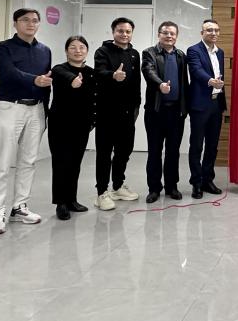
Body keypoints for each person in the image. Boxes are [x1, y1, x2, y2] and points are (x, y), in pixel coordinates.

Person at [0, 8, 52, 235]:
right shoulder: (2, 47)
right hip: (10, 107)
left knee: (29, 160)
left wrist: (46, 110)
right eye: (25, 20)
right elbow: (7, 73)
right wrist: (35, 80)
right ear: (15, 23)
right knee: (2, 162)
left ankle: (20, 207)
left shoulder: (45, 50)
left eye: (35, 20)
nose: (31, 24)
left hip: (36, 109)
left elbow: (47, 82)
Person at [93, 17, 141, 210]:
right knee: (104, 153)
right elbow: (98, 73)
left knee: (124, 151)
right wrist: (113, 75)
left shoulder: (134, 54)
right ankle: (101, 193)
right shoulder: (102, 51)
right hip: (107, 111)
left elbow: (136, 81)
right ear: (113, 32)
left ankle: (118, 186)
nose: (124, 34)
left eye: (128, 31)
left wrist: (137, 104)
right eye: (120, 31)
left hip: (128, 112)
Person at [48, 36, 96, 220]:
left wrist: (92, 120)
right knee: (61, 163)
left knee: (75, 163)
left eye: (82, 47)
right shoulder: (59, 69)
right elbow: (65, 76)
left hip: (81, 125)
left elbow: (94, 98)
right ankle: (60, 203)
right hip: (60, 124)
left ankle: (71, 200)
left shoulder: (91, 72)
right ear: (66, 51)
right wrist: (73, 80)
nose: (78, 51)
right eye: (73, 47)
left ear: (87, 51)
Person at [142, 21, 190, 204]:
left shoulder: (181, 55)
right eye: (165, 33)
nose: (169, 36)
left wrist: (185, 108)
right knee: (155, 151)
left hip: (176, 112)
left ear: (176, 36)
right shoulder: (149, 53)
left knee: (173, 151)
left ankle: (171, 186)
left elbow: (184, 82)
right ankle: (154, 188)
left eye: (172, 33)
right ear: (159, 34)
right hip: (156, 111)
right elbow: (148, 71)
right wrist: (160, 84)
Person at [187, 19, 227, 199]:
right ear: (202, 32)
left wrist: (221, 100)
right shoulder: (194, 50)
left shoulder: (220, 52)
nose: (213, 33)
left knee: (212, 145)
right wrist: (210, 81)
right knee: (197, 145)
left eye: (216, 30)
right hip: (200, 105)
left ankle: (207, 180)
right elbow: (196, 70)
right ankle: (196, 182)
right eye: (209, 30)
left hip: (216, 104)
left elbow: (220, 77)